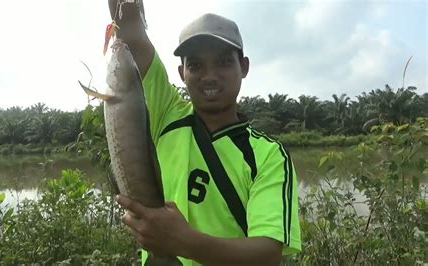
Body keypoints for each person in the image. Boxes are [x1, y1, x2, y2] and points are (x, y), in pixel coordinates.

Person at [108, 1, 301, 265]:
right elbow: (130, 29)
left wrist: (184, 242)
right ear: (181, 73)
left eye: (223, 63)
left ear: (243, 67)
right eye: (196, 65)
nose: (210, 76)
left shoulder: (268, 156)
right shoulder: (166, 113)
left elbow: (267, 255)